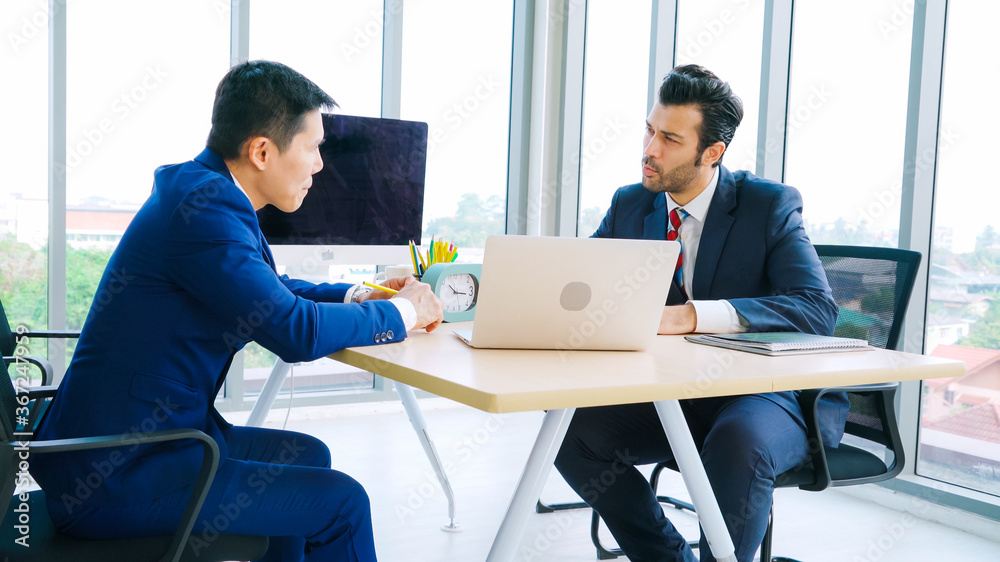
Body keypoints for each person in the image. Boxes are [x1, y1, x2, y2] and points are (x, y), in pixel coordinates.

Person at [30, 60, 443, 562]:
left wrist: (364, 295)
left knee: (308, 457)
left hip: (149, 444)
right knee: (343, 503)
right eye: (312, 148)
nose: (319, 165)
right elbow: (295, 332)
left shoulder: (204, 193)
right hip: (116, 477)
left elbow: (274, 291)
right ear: (262, 151)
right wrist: (403, 313)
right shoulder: (204, 212)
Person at [553, 64, 842, 562]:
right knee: (571, 434)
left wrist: (692, 315)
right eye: (649, 130)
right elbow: (586, 287)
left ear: (712, 153)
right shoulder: (630, 206)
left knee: (737, 441)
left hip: (768, 396)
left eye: (669, 138)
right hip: (676, 392)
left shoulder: (767, 206)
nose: (649, 149)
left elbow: (817, 308)